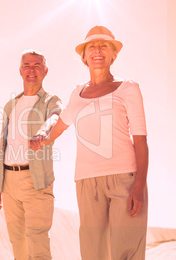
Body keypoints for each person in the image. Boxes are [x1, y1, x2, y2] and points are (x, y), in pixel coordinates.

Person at [30, 26, 149, 260]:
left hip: (125, 180)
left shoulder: (128, 89)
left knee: (125, 251)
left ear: (113, 54)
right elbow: (59, 126)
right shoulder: (77, 94)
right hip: (86, 183)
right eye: (91, 46)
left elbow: (141, 141)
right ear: (84, 56)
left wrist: (139, 187)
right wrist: (42, 137)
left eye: (104, 45)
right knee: (93, 253)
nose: (97, 50)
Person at [0, 50, 62, 260]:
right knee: (18, 243)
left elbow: (56, 117)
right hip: (8, 182)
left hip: (36, 180)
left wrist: (43, 130)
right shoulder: (10, 105)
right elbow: (3, 145)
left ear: (45, 71)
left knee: (37, 242)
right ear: (20, 71)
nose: (32, 70)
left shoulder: (50, 100)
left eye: (37, 65)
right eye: (27, 66)